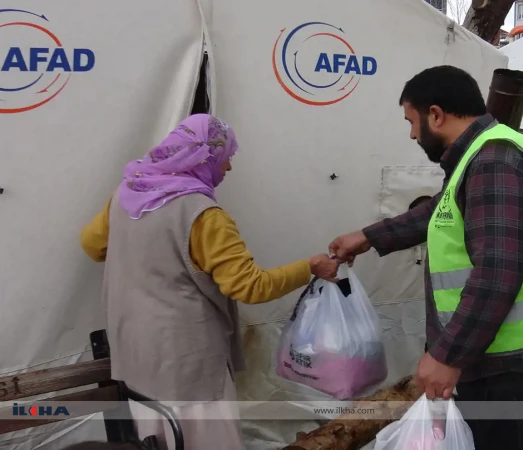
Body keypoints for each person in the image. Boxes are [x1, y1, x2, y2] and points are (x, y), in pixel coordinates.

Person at [328, 65, 523, 450]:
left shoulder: (496, 161)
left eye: (412, 122)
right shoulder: (480, 157)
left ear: (436, 114)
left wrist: (447, 356)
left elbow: (498, 272)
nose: (413, 134)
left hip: (514, 361)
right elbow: (442, 209)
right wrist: (368, 237)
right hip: (500, 353)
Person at [79, 114, 339, 450]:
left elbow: (92, 244)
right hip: (185, 362)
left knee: (155, 438)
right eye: (226, 158)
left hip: (134, 351)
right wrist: (310, 267)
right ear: (203, 157)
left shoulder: (127, 193)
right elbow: (249, 286)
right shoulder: (203, 216)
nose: (228, 168)